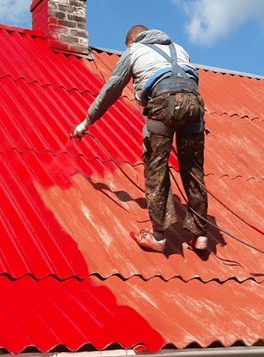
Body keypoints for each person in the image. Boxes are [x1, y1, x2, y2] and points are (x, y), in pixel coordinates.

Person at [71, 25, 209, 253]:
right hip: (195, 104)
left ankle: (158, 237)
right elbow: (188, 82)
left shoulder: (134, 50)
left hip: (164, 103)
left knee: (156, 169)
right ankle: (200, 235)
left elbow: (111, 90)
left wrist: (86, 123)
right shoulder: (179, 49)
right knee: (193, 169)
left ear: (133, 39)